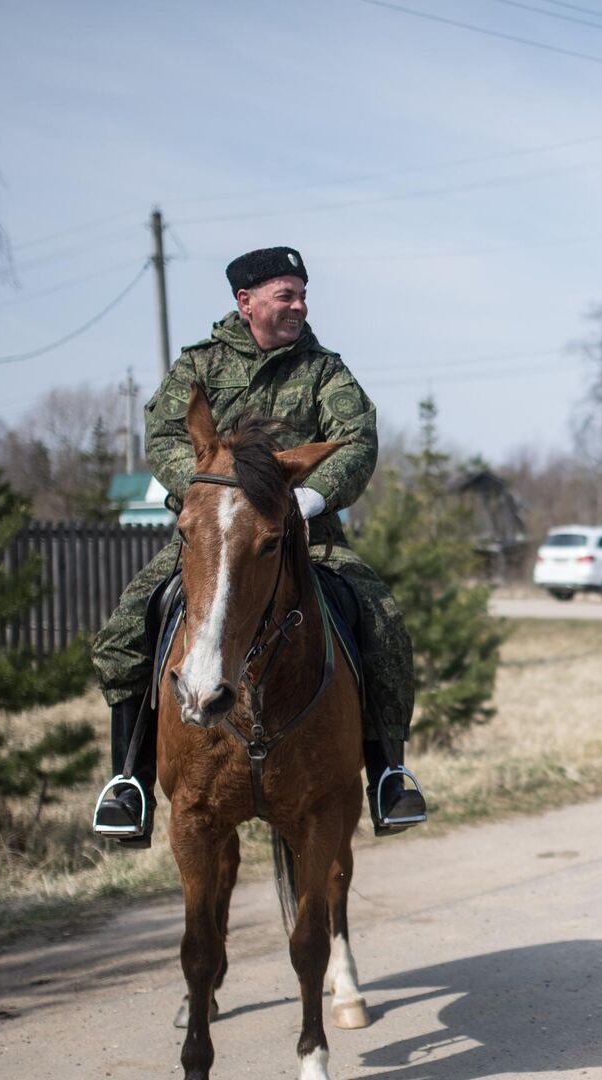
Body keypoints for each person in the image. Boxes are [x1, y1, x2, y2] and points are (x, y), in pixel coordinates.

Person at [89, 246, 427, 846]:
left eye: (301, 294)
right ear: (246, 303)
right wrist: (209, 492)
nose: (299, 306)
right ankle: (130, 782)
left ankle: (387, 774)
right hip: (215, 535)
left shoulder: (325, 371)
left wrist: (304, 500)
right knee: (125, 630)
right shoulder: (199, 365)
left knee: (381, 622)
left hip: (307, 538)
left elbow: (356, 440)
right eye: (285, 295)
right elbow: (167, 434)